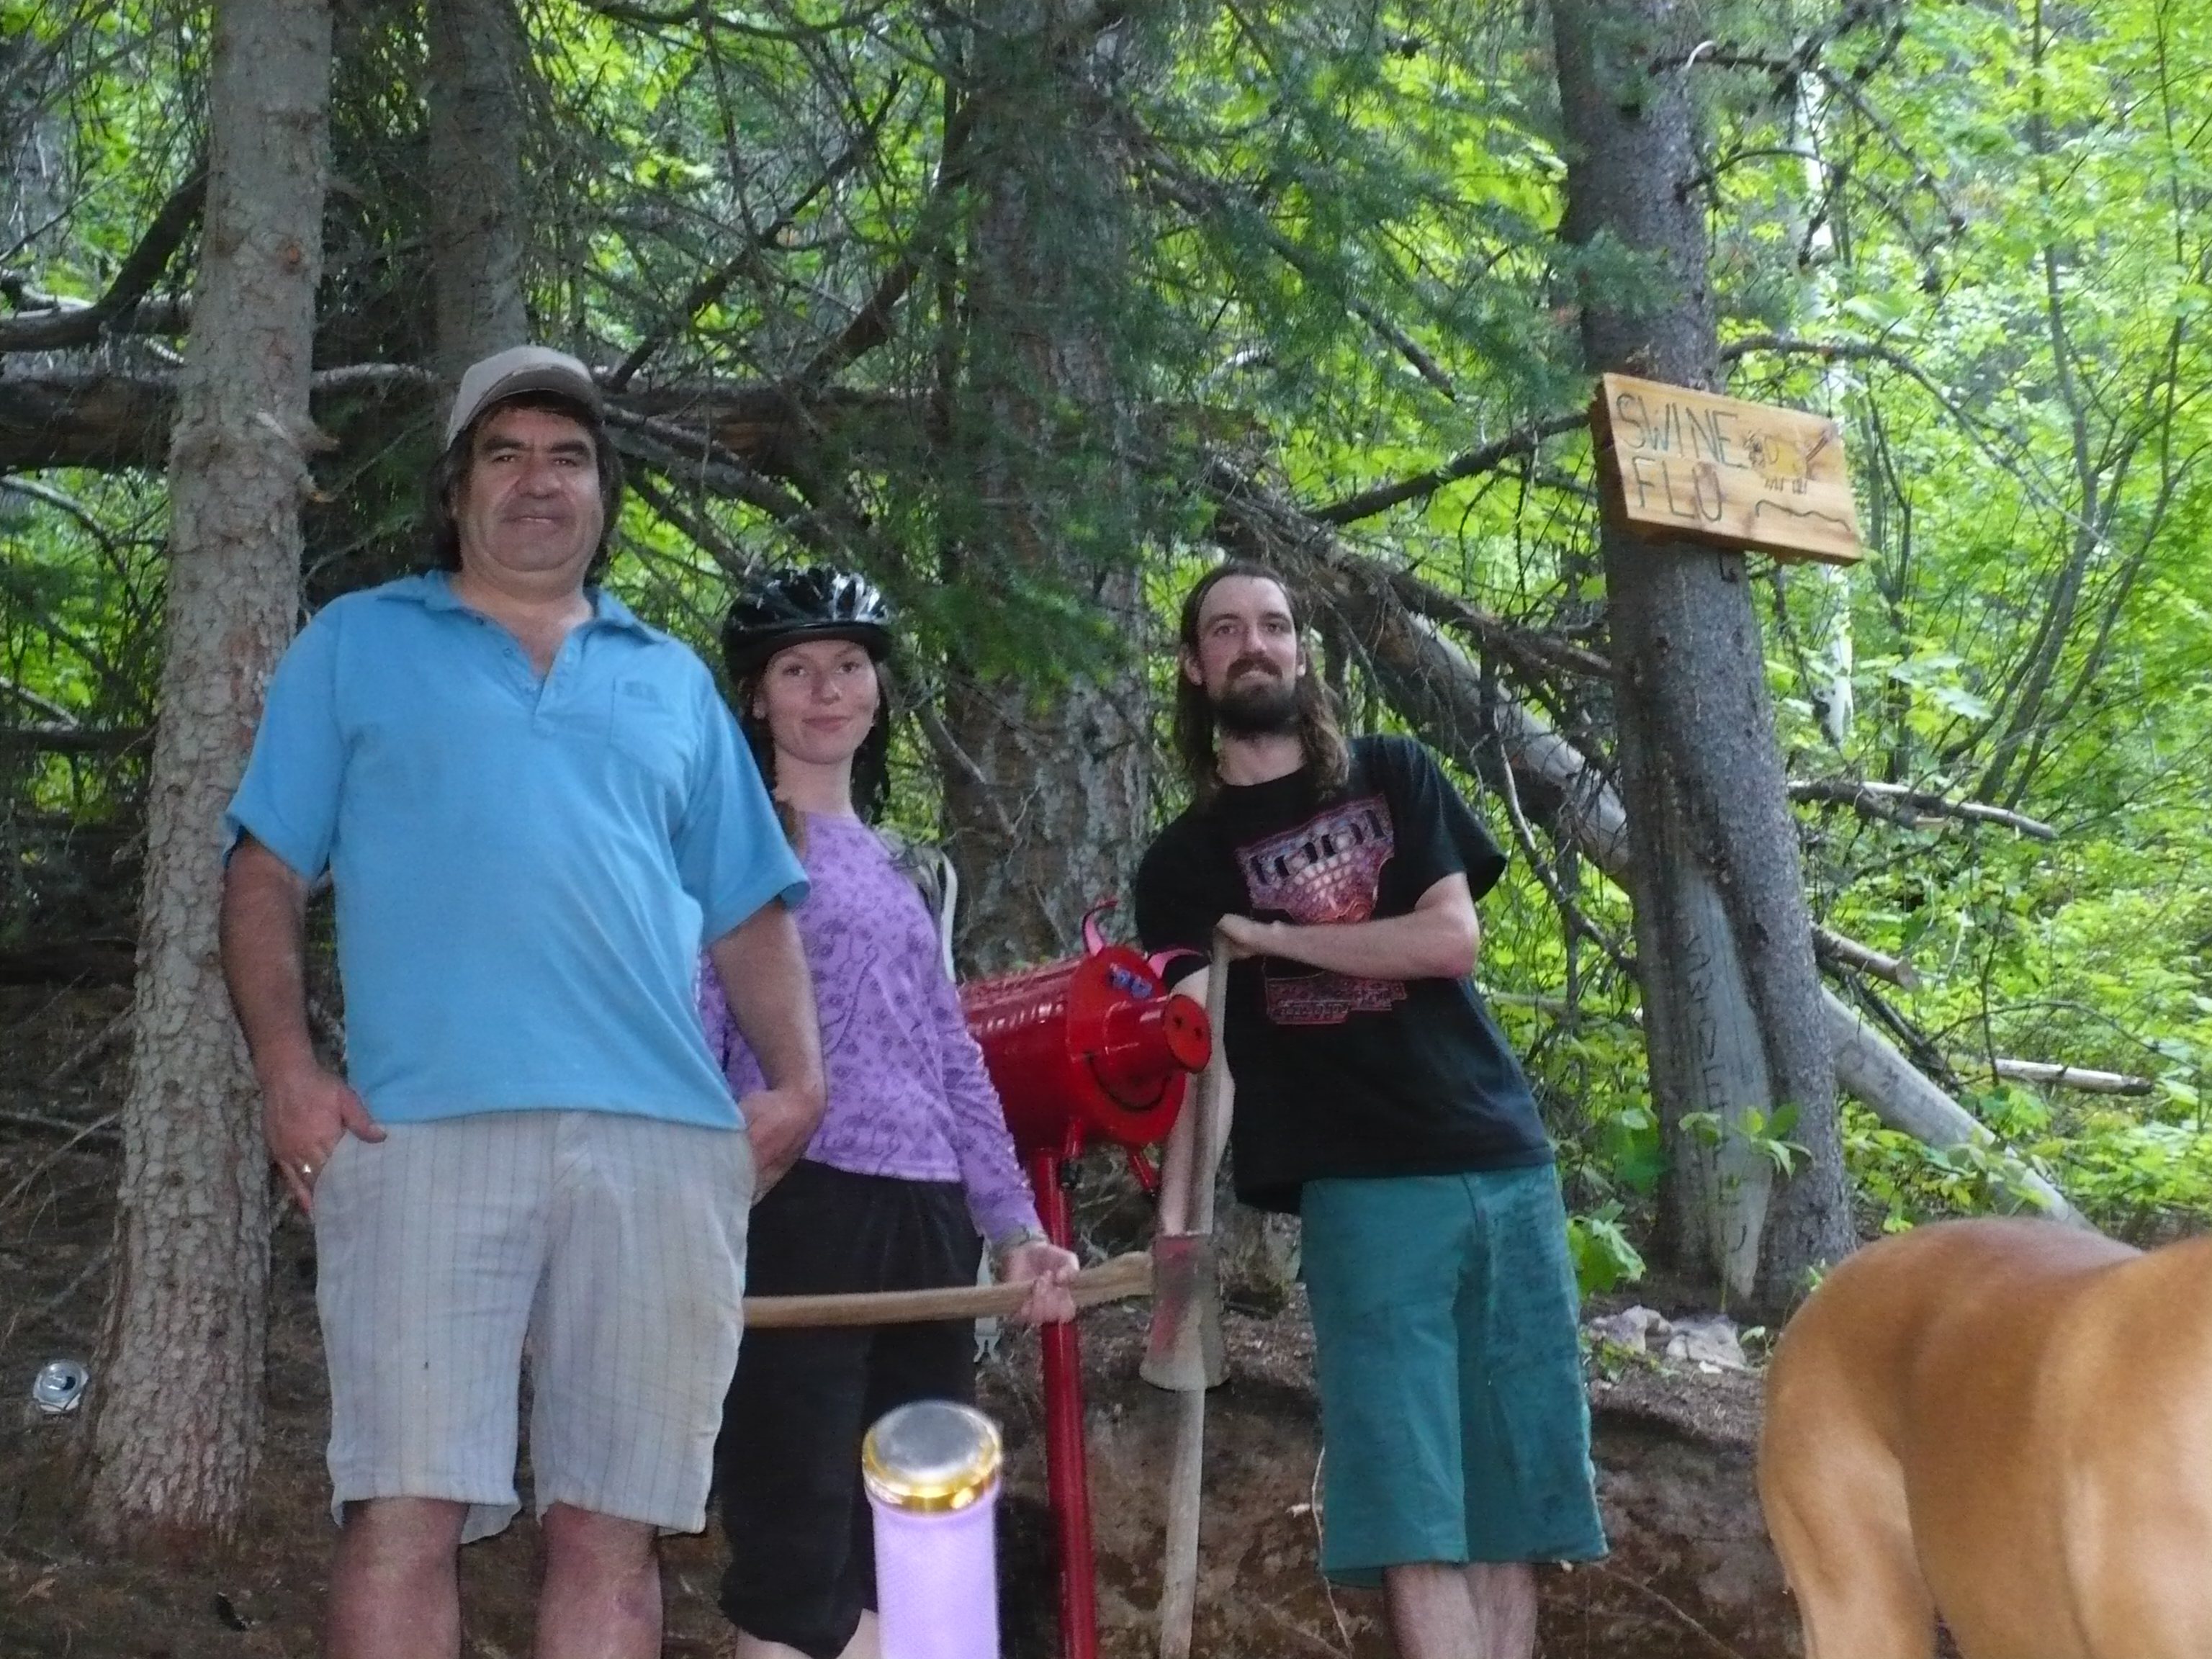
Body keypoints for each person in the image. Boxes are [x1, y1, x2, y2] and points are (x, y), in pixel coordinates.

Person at [220, 345, 826, 1659]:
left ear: (603, 495)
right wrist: (286, 1068)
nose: (538, 482)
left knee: (615, 1532)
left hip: (660, 1147)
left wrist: (798, 1085)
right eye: (505, 455)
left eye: (568, 457)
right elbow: (264, 870)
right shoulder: (358, 643)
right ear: (457, 491)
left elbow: (749, 906)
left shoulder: (670, 678)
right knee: (404, 1512)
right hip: (422, 1132)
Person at [1132, 560, 1606, 1659]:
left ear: (1302, 652)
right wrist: (1178, 1231)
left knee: (1511, 1507)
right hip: (1361, 1190)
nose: (1255, 644)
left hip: (1501, 1159)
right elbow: (1206, 1059)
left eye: (1275, 625)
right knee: (1411, 1509)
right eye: (1226, 630)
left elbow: (1449, 940)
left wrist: (1274, 938)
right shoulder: (1183, 865)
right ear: (1195, 667)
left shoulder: (1394, 774)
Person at [700, 566, 1080, 1659]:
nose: (827, 690)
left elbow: (950, 1055)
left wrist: (1012, 1226)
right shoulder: (733, 843)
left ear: (878, 691)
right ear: (756, 697)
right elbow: (699, 1018)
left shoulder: (901, 865)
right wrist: (715, 1183)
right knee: (798, 1528)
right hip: (800, 1205)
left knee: (911, 1526)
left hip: (925, 1220)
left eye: (849, 666)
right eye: (796, 669)